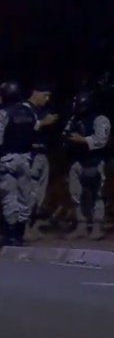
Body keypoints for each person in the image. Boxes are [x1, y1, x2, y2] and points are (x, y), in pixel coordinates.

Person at [0, 81, 37, 246]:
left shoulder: (2, 114)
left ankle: (11, 235)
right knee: (25, 195)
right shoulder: (29, 112)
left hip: (8, 159)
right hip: (27, 159)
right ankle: (20, 234)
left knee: (9, 196)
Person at [63, 91, 111, 240]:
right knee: (77, 194)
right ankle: (81, 225)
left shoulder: (100, 119)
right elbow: (66, 133)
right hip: (77, 160)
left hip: (95, 160)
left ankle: (97, 227)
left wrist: (83, 140)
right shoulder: (74, 119)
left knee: (97, 194)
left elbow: (101, 140)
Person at [26, 82, 59, 240]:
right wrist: (44, 122)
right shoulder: (25, 109)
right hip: (30, 154)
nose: (47, 99)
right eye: (45, 95)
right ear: (35, 92)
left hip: (43, 153)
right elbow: (24, 129)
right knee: (29, 193)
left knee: (39, 194)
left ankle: (32, 225)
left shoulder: (43, 110)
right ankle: (24, 227)